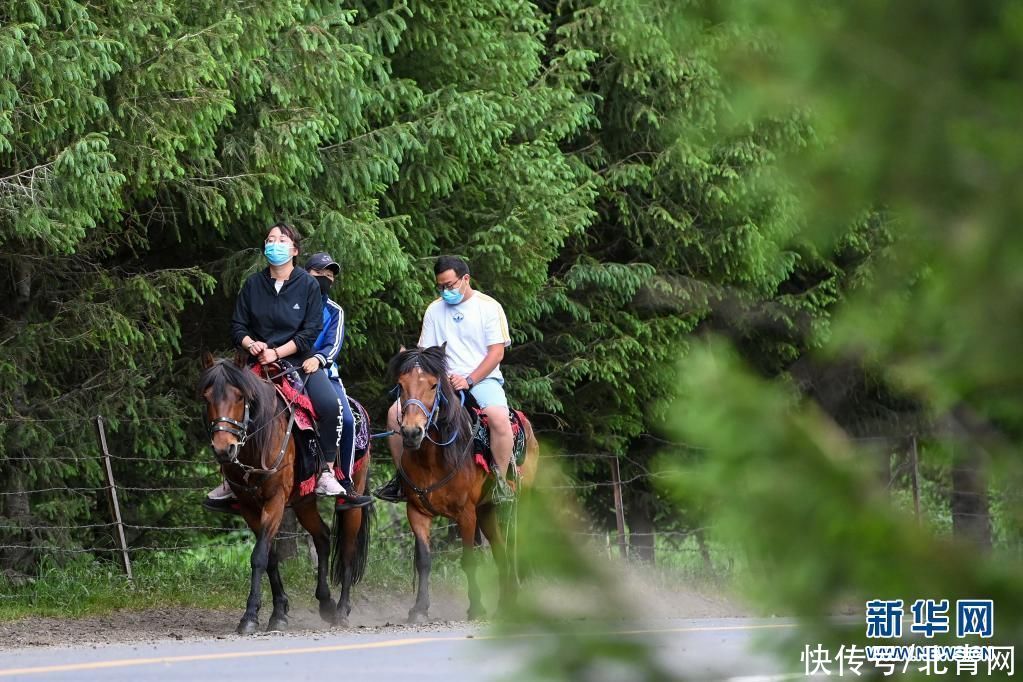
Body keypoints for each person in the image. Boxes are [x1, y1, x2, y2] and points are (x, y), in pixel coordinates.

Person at [206, 224, 363, 503]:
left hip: (297, 362)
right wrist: (251, 344)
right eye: (269, 239)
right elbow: (238, 326)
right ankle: (229, 477)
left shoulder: (308, 285)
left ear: (294, 250)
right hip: (255, 360)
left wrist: (277, 353)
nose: (274, 244)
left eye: (281, 240)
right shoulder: (253, 284)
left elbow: (310, 332)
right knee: (226, 403)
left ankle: (326, 470)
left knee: (330, 405)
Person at [376, 255, 514, 502]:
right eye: (440, 286)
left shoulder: (489, 306)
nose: (445, 291)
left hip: (481, 380)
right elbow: (425, 353)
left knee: (499, 419)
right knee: (393, 414)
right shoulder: (434, 309)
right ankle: (401, 479)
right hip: (438, 383)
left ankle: (500, 484)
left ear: (465, 279)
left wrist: (469, 380)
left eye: (449, 285)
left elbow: (497, 353)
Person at [302, 251, 370, 506]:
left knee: (349, 420)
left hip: (324, 372)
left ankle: (345, 481)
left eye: (329, 275)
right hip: (288, 367)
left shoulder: (334, 311)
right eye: (319, 273)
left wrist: (318, 359)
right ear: (305, 273)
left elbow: (333, 344)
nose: (325, 278)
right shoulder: (290, 303)